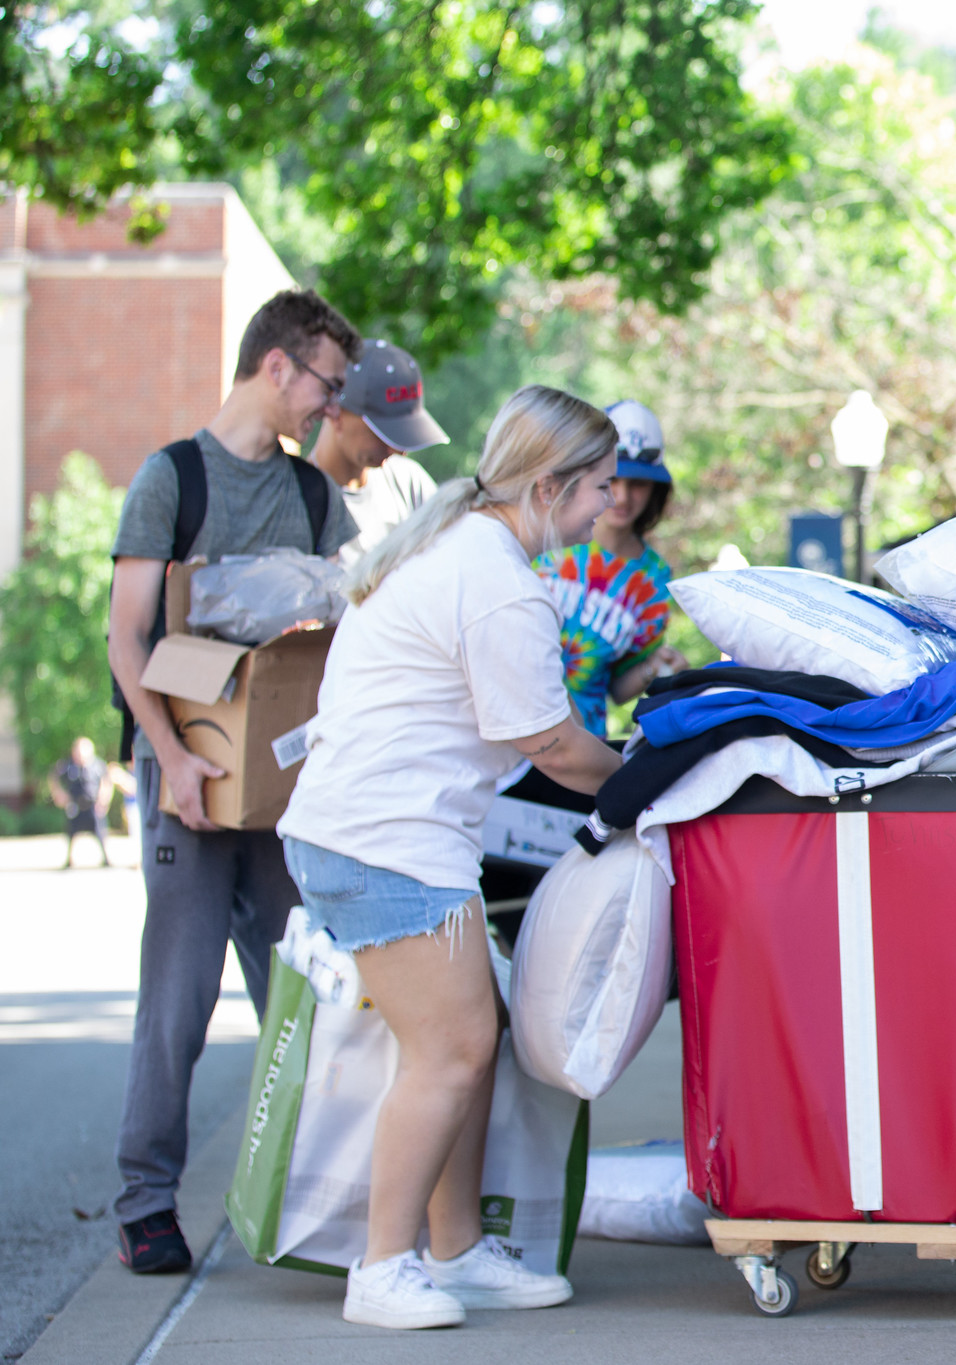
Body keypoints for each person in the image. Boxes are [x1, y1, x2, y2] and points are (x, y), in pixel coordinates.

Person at [275, 385, 624, 1331]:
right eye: (598, 486)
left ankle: (456, 1249)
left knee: (472, 1040)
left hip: (385, 831)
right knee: (454, 1049)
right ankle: (382, 1268)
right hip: (384, 840)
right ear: (548, 485)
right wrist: (639, 778)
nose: (609, 506)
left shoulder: (463, 540)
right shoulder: (497, 578)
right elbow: (549, 742)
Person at [106, 290, 361, 1274]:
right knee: (176, 1004)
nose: (327, 408)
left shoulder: (308, 496)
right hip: (189, 778)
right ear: (277, 368)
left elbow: (347, 623)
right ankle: (145, 1207)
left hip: (283, 784)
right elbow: (131, 639)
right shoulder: (172, 479)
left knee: (299, 989)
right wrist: (172, 758)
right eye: (324, 386)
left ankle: (310, 1187)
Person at [533, 399, 682, 736]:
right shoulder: (544, 537)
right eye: (614, 479)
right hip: (510, 730)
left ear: (657, 489)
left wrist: (653, 668)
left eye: (639, 484)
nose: (623, 496)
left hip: (581, 742)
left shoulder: (653, 579)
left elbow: (617, 689)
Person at [309, 337, 449, 566]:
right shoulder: (296, 503)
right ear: (335, 410)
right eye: (384, 433)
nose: (398, 450)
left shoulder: (408, 483)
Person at [47, 736, 112, 869]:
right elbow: (53, 778)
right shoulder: (67, 765)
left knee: (100, 833)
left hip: (92, 804)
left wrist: (104, 800)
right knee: (71, 833)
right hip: (75, 805)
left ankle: (106, 859)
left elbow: (106, 782)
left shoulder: (98, 765)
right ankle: (69, 860)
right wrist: (59, 795)